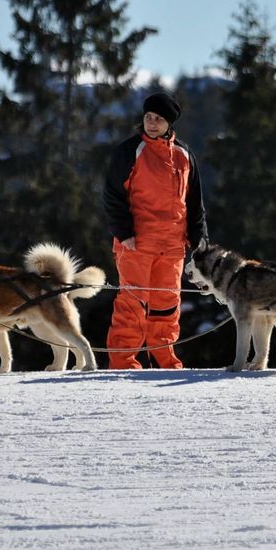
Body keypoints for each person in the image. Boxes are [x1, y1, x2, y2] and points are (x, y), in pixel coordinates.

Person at [103, 92, 208, 369]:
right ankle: (123, 361)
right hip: (137, 242)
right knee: (132, 304)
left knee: (167, 304)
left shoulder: (185, 155)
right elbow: (112, 196)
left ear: (169, 123)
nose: (151, 123)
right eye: (148, 117)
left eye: (158, 119)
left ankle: (164, 359)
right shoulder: (129, 151)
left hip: (174, 244)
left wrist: (200, 243)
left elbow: (195, 203)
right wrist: (124, 233)